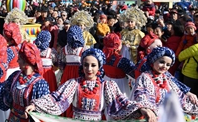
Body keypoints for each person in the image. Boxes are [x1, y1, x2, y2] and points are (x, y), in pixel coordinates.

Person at [25, 48, 153, 121]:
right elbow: (56, 98)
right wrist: (35, 105)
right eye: (86, 65)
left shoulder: (107, 86)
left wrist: (141, 108)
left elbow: (122, 103)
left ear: (99, 67)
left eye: (93, 65)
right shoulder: (74, 84)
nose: (89, 69)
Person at [0, 41, 50, 122]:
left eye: (19, 59)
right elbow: (1, 89)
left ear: (26, 64)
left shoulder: (39, 83)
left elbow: (44, 104)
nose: (17, 61)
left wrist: (34, 106)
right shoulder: (15, 76)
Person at [133, 47, 198, 120]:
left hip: (168, 114)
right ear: (153, 61)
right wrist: (145, 108)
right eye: (162, 62)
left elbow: (179, 95)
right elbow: (140, 94)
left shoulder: (166, 77)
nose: (164, 66)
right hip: (153, 114)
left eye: (168, 65)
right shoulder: (145, 77)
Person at [178, 27, 198, 95]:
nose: (196, 36)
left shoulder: (197, 47)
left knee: (188, 95)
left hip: (189, 74)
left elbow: (180, 56)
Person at [102, 33, 135, 97]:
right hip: (119, 85)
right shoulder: (122, 61)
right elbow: (134, 73)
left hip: (106, 82)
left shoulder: (102, 57)